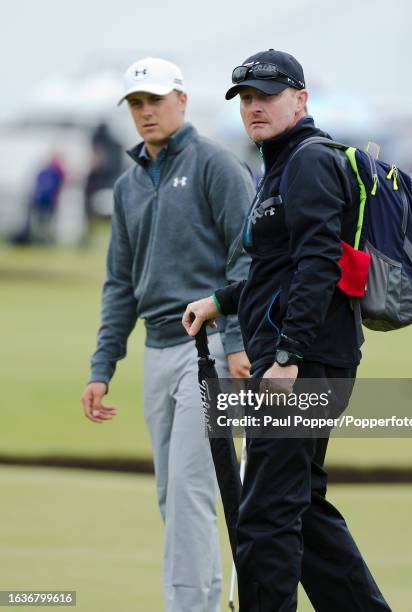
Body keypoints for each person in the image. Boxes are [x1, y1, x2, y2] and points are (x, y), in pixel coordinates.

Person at [183, 49, 392, 612]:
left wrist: (288, 356)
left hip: (303, 361)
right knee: (302, 504)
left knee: (266, 513)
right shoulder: (279, 164)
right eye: (247, 98)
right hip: (308, 357)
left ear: (300, 100)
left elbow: (319, 261)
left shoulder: (307, 161)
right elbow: (279, 265)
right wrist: (221, 301)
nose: (255, 107)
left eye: (267, 96)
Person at [81, 57, 254, 612]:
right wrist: (102, 367)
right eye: (136, 103)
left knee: (189, 492)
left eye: (155, 99)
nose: (146, 111)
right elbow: (119, 284)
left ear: (181, 99)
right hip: (158, 351)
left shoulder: (215, 166)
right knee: (172, 496)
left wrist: (238, 341)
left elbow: (248, 260)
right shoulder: (129, 186)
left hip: (211, 351)